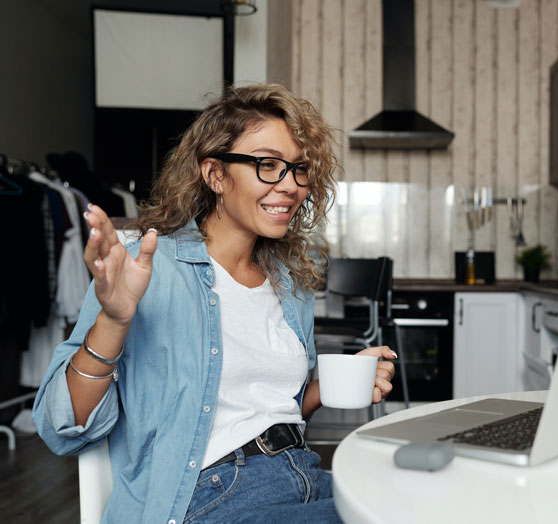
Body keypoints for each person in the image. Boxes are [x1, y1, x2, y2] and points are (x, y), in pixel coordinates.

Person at [33, 84, 396, 524]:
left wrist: (323, 390)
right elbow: (60, 428)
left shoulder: (290, 285)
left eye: (299, 169)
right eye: (268, 165)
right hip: (209, 499)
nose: (291, 186)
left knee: (423, 505)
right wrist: (113, 319)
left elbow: (260, 411)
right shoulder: (145, 269)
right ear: (215, 175)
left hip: (301, 473)